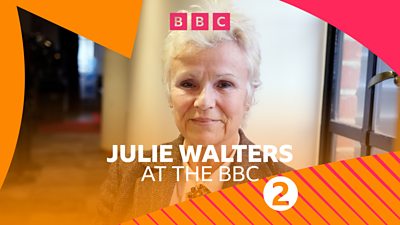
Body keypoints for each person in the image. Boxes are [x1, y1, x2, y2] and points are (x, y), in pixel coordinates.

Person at [96, 2, 292, 224]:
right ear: (169, 92)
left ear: (248, 96)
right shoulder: (127, 175)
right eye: (188, 84)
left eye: (224, 84)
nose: (204, 102)